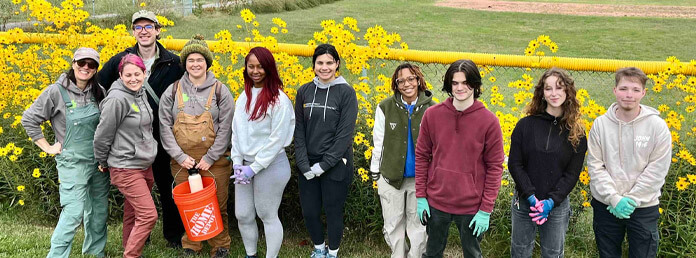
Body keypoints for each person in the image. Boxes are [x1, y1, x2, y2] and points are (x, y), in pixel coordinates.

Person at [98, 10, 185, 248]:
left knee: (168, 185)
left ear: (158, 31)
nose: (144, 31)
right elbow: (99, 86)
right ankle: (140, 236)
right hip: (132, 139)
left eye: (149, 27)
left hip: (163, 135)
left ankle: (174, 236)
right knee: (137, 192)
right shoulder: (119, 60)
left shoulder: (174, 62)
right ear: (133, 32)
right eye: (138, 27)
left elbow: (188, 89)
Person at [22, 48, 109, 258]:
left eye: (91, 64)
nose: (86, 68)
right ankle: (57, 255)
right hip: (72, 163)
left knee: (98, 211)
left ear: (96, 69)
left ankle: (94, 252)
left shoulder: (99, 91)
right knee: (72, 213)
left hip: (98, 163)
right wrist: (48, 147)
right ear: (73, 64)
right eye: (82, 63)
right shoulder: (55, 91)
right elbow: (29, 119)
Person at [415, 59, 504, 258]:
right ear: (449, 85)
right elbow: (421, 156)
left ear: (475, 84)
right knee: (432, 253)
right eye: (455, 83)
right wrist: (421, 196)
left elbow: (495, 167)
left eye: (465, 83)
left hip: (472, 206)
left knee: (472, 255)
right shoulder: (432, 115)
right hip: (436, 202)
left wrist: (485, 210)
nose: (460, 88)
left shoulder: (490, 122)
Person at [158, 35, 234, 258]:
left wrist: (211, 157)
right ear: (185, 63)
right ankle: (192, 244)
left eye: (200, 59)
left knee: (217, 205)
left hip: (215, 161)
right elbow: (164, 127)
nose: (195, 64)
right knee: (189, 206)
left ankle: (220, 245)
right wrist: (179, 156)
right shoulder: (172, 91)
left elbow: (226, 128)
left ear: (207, 62)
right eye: (190, 59)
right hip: (182, 162)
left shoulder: (221, 91)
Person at [588, 67, 671, 258]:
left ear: (643, 92)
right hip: (606, 205)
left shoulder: (657, 127)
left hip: (643, 206)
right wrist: (614, 198)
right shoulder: (600, 125)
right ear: (615, 90)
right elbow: (595, 166)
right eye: (624, 88)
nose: (629, 95)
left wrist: (632, 199)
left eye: (635, 90)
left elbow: (657, 169)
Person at [508, 68, 588, 258]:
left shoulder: (577, 132)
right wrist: (532, 198)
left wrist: (551, 202)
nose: (554, 93)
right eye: (548, 88)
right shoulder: (525, 126)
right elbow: (515, 164)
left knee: (553, 254)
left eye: (559, 88)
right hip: (525, 202)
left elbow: (572, 174)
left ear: (568, 91)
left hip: (557, 205)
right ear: (541, 93)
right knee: (519, 251)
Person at [230, 47, 295, 258]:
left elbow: (276, 141)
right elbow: (237, 132)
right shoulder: (243, 97)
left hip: (271, 165)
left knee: (267, 214)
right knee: (243, 214)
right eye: (251, 66)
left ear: (269, 68)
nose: (255, 71)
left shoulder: (279, 100)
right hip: (245, 166)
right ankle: (251, 254)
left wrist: (254, 168)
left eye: (260, 67)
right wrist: (237, 162)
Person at [294, 44, 358, 258]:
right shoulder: (304, 91)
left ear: (337, 64)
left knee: (332, 210)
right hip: (308, 163)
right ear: (313, 65)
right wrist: (304, 165)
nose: (324, 67)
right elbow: (299, 131)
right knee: (310, 211)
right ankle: (319, 247)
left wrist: (324, 165)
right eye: (320, 63)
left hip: (336, 164)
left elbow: (344, 135)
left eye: (329, 62)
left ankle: (332, 251)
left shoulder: (346, 92)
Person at [93, 54, 158, 258]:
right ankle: (131, 255)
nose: (133, 78)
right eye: (128, 75)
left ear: (144, 74)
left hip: (144, 164)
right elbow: (102, 135)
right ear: (120, 76)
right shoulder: (116, 99)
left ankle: (128, 248)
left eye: (137, 74)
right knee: (148, 215)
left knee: (133, 212)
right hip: (125, 165)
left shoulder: (141, 93)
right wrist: (103, 161)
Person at [369, 63, 434, 258]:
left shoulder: (432, 109)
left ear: (419, 80)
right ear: (395, 85)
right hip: (390, 177)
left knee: (419, 226)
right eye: (401, 81)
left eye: (411, 79)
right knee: (392, 224)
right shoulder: (385, 107)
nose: (407, 84)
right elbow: (378, 140)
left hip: (421, 181)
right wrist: (376, 171)